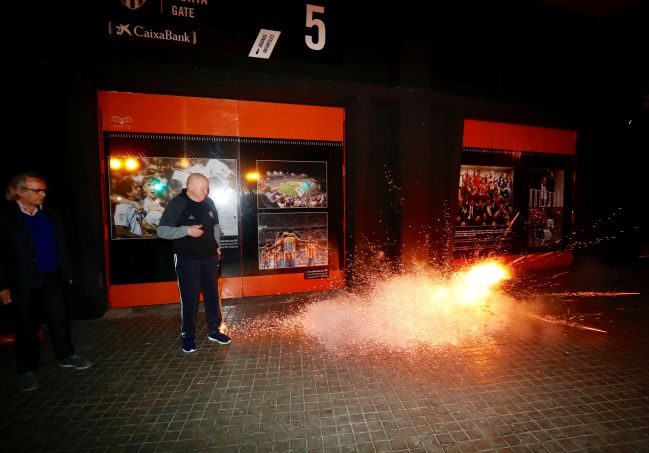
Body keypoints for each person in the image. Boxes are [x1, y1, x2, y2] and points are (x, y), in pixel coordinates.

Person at [0, 173, 92, 392]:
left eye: (43, 191)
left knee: (59, 318)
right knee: (26, 325)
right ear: (19, 191)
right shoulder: (6, 217)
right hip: (23, 280)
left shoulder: (50, 214)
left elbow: (62, 245)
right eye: (37, 190)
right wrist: (2, 285)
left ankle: (66, 355)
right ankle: (27, 370)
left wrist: (67, 271)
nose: (42, 194)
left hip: (52, 275)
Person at [157, 173, 231, 353]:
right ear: (190, 186)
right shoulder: (177, 204)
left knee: (212, 295)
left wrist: (218, 247)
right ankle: (187, 335)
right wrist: (186, 230)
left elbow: (215, 227)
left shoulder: (209, 202)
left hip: (209, 258)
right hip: (186, 258)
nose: (206, 192)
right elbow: (162, 231)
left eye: (207, 188)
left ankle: (215, 330)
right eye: (202, 188)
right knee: (189, 298)